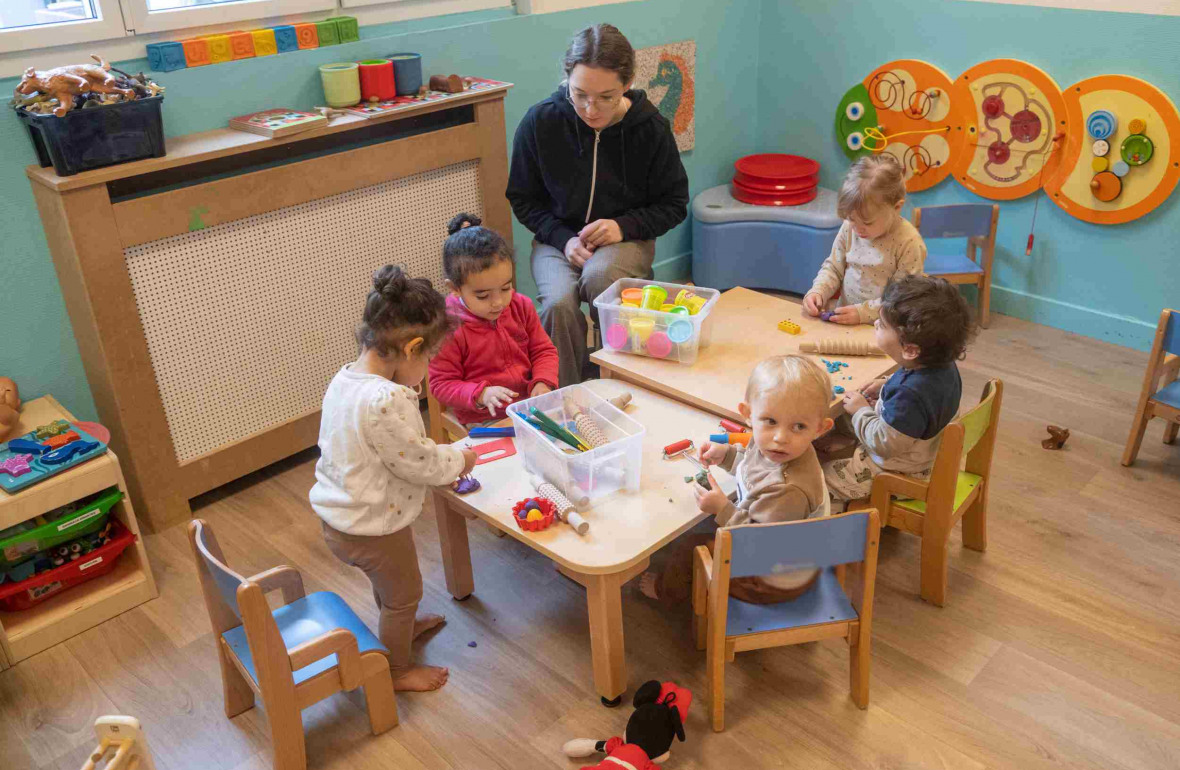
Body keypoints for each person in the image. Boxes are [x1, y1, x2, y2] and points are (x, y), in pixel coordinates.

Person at [309, 265, 477, 692]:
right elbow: (418, 462)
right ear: (412, 348)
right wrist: (461, 458)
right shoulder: (387, 399)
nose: (428, 368)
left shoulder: (346, 378)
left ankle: (396, 626)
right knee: (405, 592)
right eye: (430, 357)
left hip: (342, 519)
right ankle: (395, 671)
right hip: (371, 528)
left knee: (393, 589)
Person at [507, 23, 689, 385]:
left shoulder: (651, 128)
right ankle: (563, 395)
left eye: (606, 96)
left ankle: (623, 383)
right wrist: (563, 239)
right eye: (580, 94)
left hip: (625, 240)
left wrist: (623, 226)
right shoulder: (540, 121)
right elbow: (523, 198)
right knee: (558, 304)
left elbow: (674, 202)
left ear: (629, 82)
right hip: (556, 240)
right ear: (566, 80)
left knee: (601, 279)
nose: (591, 109)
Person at [639, 355, 834, 605]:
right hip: (780, 551)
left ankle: (666, 593)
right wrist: (727, 455)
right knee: (702, 527)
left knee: (689, 545)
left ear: (820, 428)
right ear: (748, 415)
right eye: (770, 421)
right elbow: (754, 467)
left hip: (774, 579)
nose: (780, 437)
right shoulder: (779, 448)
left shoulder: (789, 490)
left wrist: (723, 509)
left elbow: (759, 545)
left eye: (798, 427)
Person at [824, 274, 974, 507]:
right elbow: (920, 390)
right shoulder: (940, 364)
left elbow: (885, 445)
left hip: (897, 472)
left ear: (911, 350)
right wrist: (886, 384)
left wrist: (861, 411)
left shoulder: (910, 397)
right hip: (921, 454)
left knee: (819, 482)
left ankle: (839, 522)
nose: (875, 324)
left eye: (882, 325)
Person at [428, 213, 559, 426]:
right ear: (454, 289)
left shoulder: (521, 306)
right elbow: (441, 385)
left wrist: (543, 382)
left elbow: (543, 351)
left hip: (529, 407)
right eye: (483, 295)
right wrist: (481, 395)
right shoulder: (447, 326)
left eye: (506, 288)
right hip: (484, 418)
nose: (498, 302)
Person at [803, 154, 926, 325]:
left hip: (885, 329)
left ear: (897, 207)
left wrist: (863, 313)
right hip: (844, 320)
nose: (857, 228)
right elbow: (833, 267)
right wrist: (818, 291)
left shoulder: (909, 242)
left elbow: (901, 299)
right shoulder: (850, 227)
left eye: (867, 222)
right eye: (851, 219)